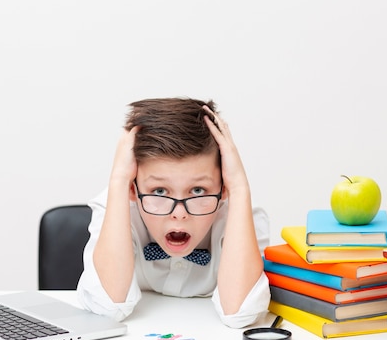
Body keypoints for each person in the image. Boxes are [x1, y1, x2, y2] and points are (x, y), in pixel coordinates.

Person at [75, 97, 270, 328]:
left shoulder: (240, 214)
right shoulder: (117, 206)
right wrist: (118, 180)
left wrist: (239, 187)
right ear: (132, 189)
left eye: (198, 191)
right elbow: (106, 307)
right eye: (159, 191)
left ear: (223, 188)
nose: (179, 213)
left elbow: (240, 313)